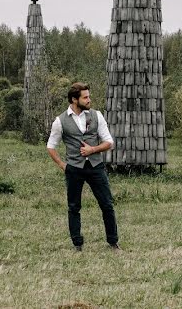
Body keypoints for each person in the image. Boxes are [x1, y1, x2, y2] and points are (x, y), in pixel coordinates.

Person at [46, 83, 119, 251]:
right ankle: (77, 244)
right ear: (74, 99)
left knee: (107, 204)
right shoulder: (60, 121)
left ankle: (113, 242)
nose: (89, 100)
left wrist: (93, 149)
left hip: (96, 166)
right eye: (85, 97)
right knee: (74, 207)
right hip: (74, 168)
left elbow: (109, 142)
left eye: (88, 96)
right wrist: (63, 165)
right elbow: (51, 146)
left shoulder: (97, 115)